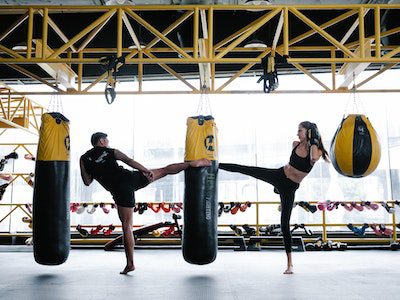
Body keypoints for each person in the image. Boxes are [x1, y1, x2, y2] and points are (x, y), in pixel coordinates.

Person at [80, 132, 211, 275]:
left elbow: (87, 182)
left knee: (127, 227)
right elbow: (129, 161)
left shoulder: (84, 158)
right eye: (107, 140)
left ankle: (130, 264)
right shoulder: (111, 151)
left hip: (119, 190)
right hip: (130, 178)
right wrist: (145, 171)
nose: (108, 142)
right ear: (101, 141)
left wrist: (89, 168)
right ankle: (192, 164)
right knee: (165, 170)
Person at [219, 121, 329, 274]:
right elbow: (299, 158)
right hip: (279, 175)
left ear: (309, 132)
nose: (297, 133)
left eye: (300, 131)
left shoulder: (316, 150)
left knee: (284, 225)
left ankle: (290, 264)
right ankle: (215, 164)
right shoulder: (295, 144)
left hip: (289, 187)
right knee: (248, 170)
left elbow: (313, 159)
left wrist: (313, 144)